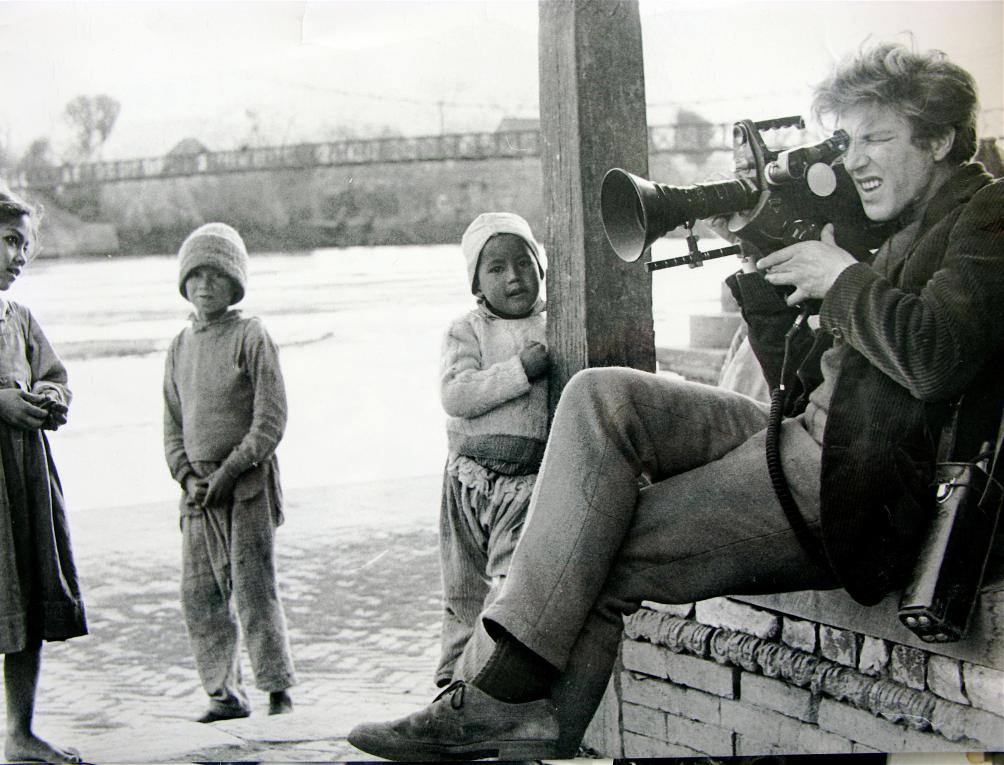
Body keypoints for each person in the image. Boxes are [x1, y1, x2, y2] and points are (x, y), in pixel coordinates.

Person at [348, 42, 1004, 760]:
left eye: (877, 138)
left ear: (940, 139)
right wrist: (768, 271)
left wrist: (840, 277)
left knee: (602, 547)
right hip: (813, 431)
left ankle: (499, 705)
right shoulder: (894, 226)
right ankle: (504, 707)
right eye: (849, 142)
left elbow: (935, 358)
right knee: (600, 396)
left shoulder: (989, 212)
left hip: (856, 483)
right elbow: (800, 382)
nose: (856, 161)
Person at [163, 222, 296, 722]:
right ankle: (224, 694)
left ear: (235, 282)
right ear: (184, 283)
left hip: (247, 485)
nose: (205, 285)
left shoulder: (251, 335)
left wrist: (232, 470)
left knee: (253, 588)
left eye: (216, 275)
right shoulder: (179, 346)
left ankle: (277, 690)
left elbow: (270, 420)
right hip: (198, 494)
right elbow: (172, 424)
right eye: (196, 275)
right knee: (199, 593)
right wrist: (187, 476)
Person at [0, 188, 86, 764]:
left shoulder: (19, 318)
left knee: (22, 599)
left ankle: (19, 734)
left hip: (21, 482)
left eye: (26, 245)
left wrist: (50, 398)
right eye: (9, 241)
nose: (20, 255)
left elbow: (54, 375)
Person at [433, 212, 549, 687]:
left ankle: (487, 680)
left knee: (509, 582)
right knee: (462, 586)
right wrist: (520, 371)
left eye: (523, 263)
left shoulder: (555, 326)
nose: (513, 277)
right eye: (496, 268)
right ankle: (450, 680)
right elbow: (456, 394)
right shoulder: (468, 330)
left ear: (540, 267)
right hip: (468, 478)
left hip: (524, 484)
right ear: (476, 283)